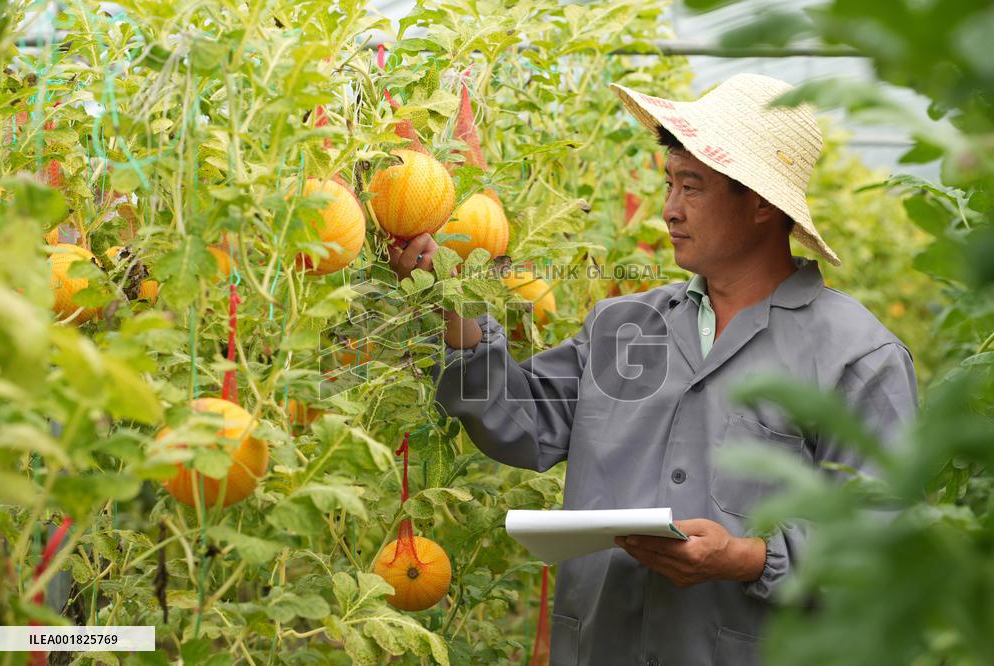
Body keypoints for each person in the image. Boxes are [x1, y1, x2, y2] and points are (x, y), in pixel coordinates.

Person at [387, 73, 918, 666]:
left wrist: (746, 557)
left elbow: (885, 543)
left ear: (763, 202)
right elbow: (524, 423)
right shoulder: (624, 325)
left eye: (692, 188)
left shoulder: (857, 357)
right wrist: (452, 308)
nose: (668, 210)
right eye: (669, 184)